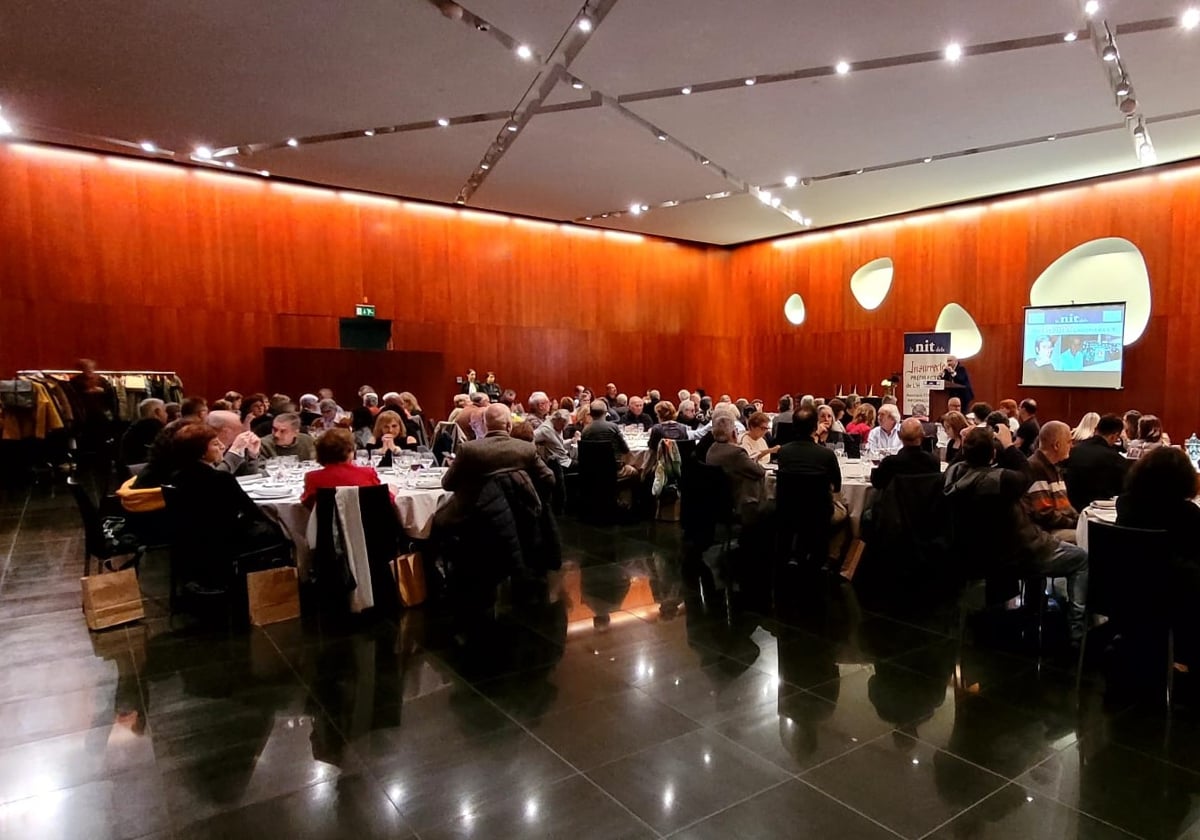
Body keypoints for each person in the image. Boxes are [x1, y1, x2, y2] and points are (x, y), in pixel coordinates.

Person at [944, 425, 1088, 640]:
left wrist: (972, 441)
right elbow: (1025, 474)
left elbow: (965, 460)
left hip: (976, 554)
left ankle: (1033, 607)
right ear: (993, 453)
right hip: (1017, 553)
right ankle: (1077, 631)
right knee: (1081, 558)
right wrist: (1010, 447)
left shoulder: (954, 475)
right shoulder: (999, 480)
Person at [166, 423, 287, 585]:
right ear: (201, 452)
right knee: (281, 530)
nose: (222, 446)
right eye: (215, 444)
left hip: (190, 541)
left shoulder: (176, 476)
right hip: (223, 542)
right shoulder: (220, 479)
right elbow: (253, 512)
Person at [437, 403, 555, 525]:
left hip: (473, 518)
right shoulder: (526, 449)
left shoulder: (468, 449)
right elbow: (549, 478)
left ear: (485, 425)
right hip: (519, 516)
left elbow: (447, 484)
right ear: (509, 426)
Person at [298, 428, 391, 508]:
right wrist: (392, 492)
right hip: (364, 526)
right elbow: (382, 501)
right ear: (349, 452)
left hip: (327, 527)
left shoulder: (312, 477)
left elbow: (307, 503)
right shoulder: (367, 473)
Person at [1023, 421, 1079, 542]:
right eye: (1069, 442)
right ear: (1057, 445)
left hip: (1058, 527)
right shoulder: (1036, 467)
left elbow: (1065, 507)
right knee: (1093, 538)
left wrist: (1081, 520)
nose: (1072, 446)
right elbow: (1044, 514)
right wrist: (1077, 524)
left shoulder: (1052, 467)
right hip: (1045, 532)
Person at [706, 414, 768, 522]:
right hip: (739, 500)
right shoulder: (737, 453)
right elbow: (760, 471)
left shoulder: (712, 448)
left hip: (715, 499)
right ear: (734, 433)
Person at [1064, 413, 1129, 511]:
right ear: (1114, 436)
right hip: (1100, 512)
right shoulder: (1116, 459)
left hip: (1071, 508)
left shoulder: (1072, 451)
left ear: (1095, 430)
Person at [871, 418, 941, 490]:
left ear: (899, 435)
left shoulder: (890, 463)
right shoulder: (933, 461)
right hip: (926, 501)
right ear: (922, 435)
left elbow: (876, 484)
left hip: (895, 500)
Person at [580, 399, 637, 478]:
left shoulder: (585, 430)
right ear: (605, 413)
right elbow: (624, 449)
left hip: (593, 470)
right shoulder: (613, 427)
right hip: (615, 470)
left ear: (591, 414)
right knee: (635, 470)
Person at [205, 410, 264, 476]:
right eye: (239, 429)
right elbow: (212, 479)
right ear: (226, 431)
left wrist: (252, 455)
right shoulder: (203, 448)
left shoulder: (230, 446)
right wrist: (235, 452)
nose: (242, 432)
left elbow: (246, 475)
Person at [119, 398, 167, 467]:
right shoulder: (154, 429)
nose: (167, 415)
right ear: (158, 412)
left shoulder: (134, 428)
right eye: (165, 411)